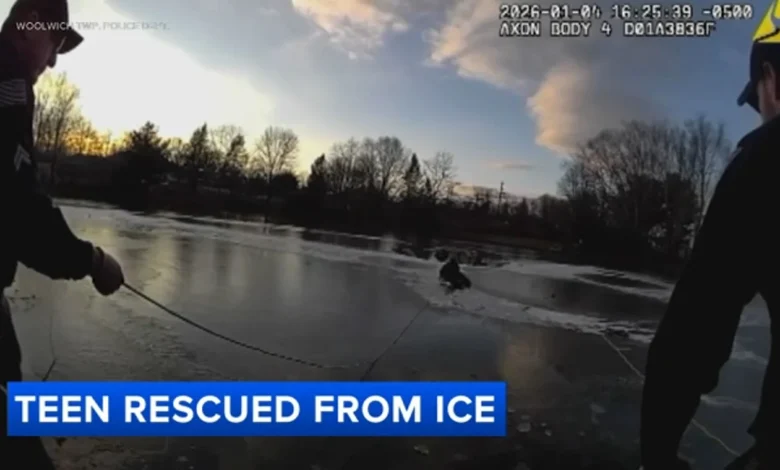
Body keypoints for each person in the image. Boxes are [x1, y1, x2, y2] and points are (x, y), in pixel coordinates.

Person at [639, 38, 780, 470]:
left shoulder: (766, 159)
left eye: (758, 101)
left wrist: (657, 457)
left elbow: (695, 325)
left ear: (772, 79)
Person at [0, 0, 125, 467]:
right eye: (54, 43)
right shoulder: (8, 83)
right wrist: (92, 261)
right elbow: (18, 208)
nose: (53, 61)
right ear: (30, 24)